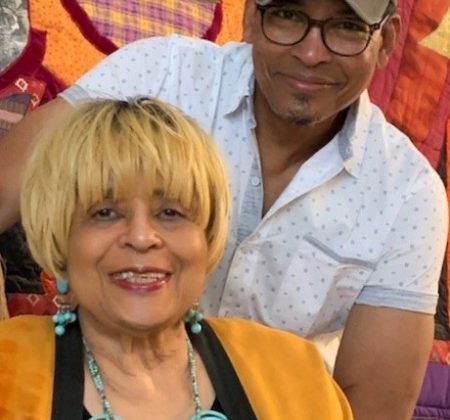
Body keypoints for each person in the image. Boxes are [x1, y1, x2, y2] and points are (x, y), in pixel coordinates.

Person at [0, 0, 447, 418]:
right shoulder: (160, 76)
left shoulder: (408, 194)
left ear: (386, 40)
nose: (312, 54)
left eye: (347, 27)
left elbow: (372, 407)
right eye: (288, 15)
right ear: (250, 16)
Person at [0, 97, 352, 419]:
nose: (141, 237)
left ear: (206, 236)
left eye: (170, 212)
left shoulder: (294, 373)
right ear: (61, 236)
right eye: (105, 212)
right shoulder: (7, 371)